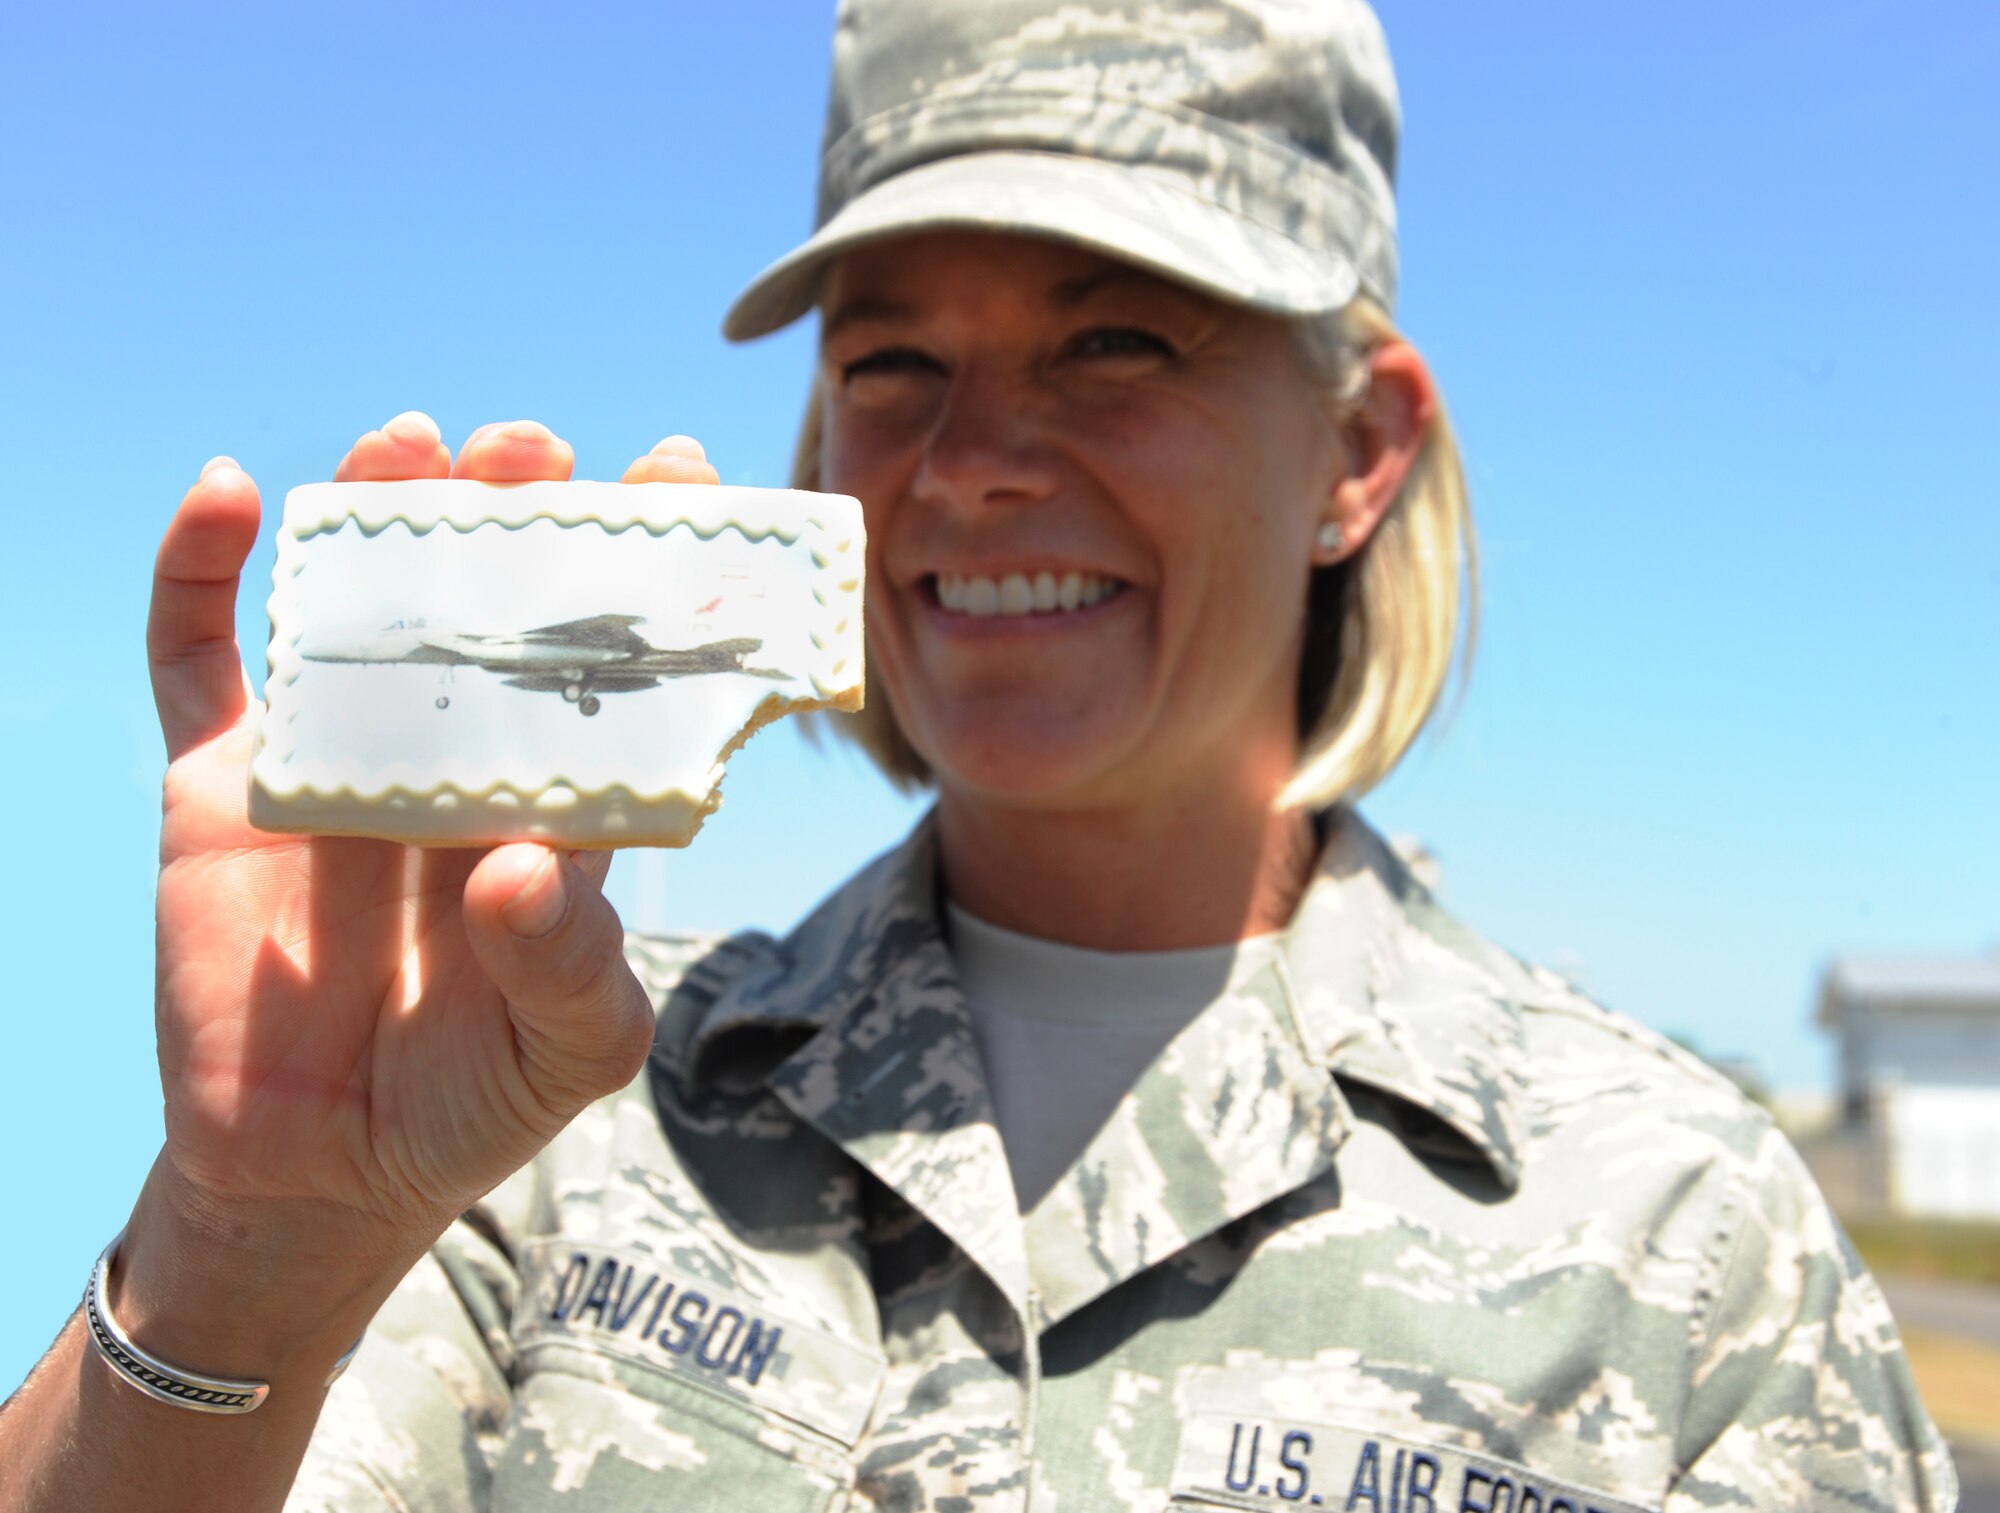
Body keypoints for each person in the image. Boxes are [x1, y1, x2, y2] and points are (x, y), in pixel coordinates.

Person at [0, 2, 1958, 1510]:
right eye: (891, 364)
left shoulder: (1678, 1235)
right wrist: (250, 1247)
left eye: (1122, 344)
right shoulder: (558, 1116)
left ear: (1356, 452)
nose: (971, 461)